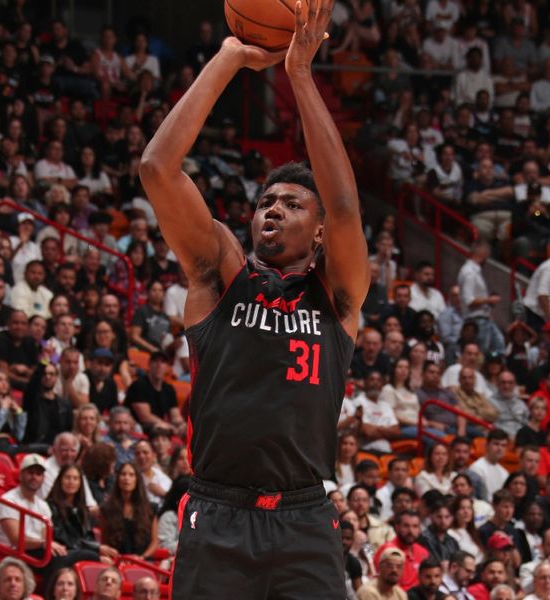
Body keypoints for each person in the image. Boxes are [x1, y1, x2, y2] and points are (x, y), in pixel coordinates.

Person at [139, 6, 369, 597]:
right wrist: (230, 57)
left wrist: (299, 75)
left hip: (306, 519)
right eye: (267, 200)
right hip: (216, 512)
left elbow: (345, 207)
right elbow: (158, 168)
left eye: (292, 204)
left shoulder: (337, 297)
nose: (272, 208)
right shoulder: (220, 276)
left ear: (319, 232)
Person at [46, 464, 116, 563]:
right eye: (67, 478)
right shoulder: (50, 506)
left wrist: (98, 548)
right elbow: (63, 538)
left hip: (83, 551)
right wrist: (96, 549)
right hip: (64, 552)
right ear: (60, 480)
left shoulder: (82, 509)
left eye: (75, 478)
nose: (71, 482)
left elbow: (87, 536)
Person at [99, 462, 159, 559]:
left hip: (143, 561)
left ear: (137, 480)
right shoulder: (107, 509)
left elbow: (154, 541)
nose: (127, 478)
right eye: (123, 474)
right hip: (116, 561)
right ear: (117, 478)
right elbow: (104, 540)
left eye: (131, 475)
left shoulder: (151, 508)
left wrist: (142, 557)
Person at [469, 429, 510, 499]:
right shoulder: (476, 468)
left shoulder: (505, 473)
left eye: (503, 445)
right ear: (487, 445)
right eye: (496, 444)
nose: (500, 448)